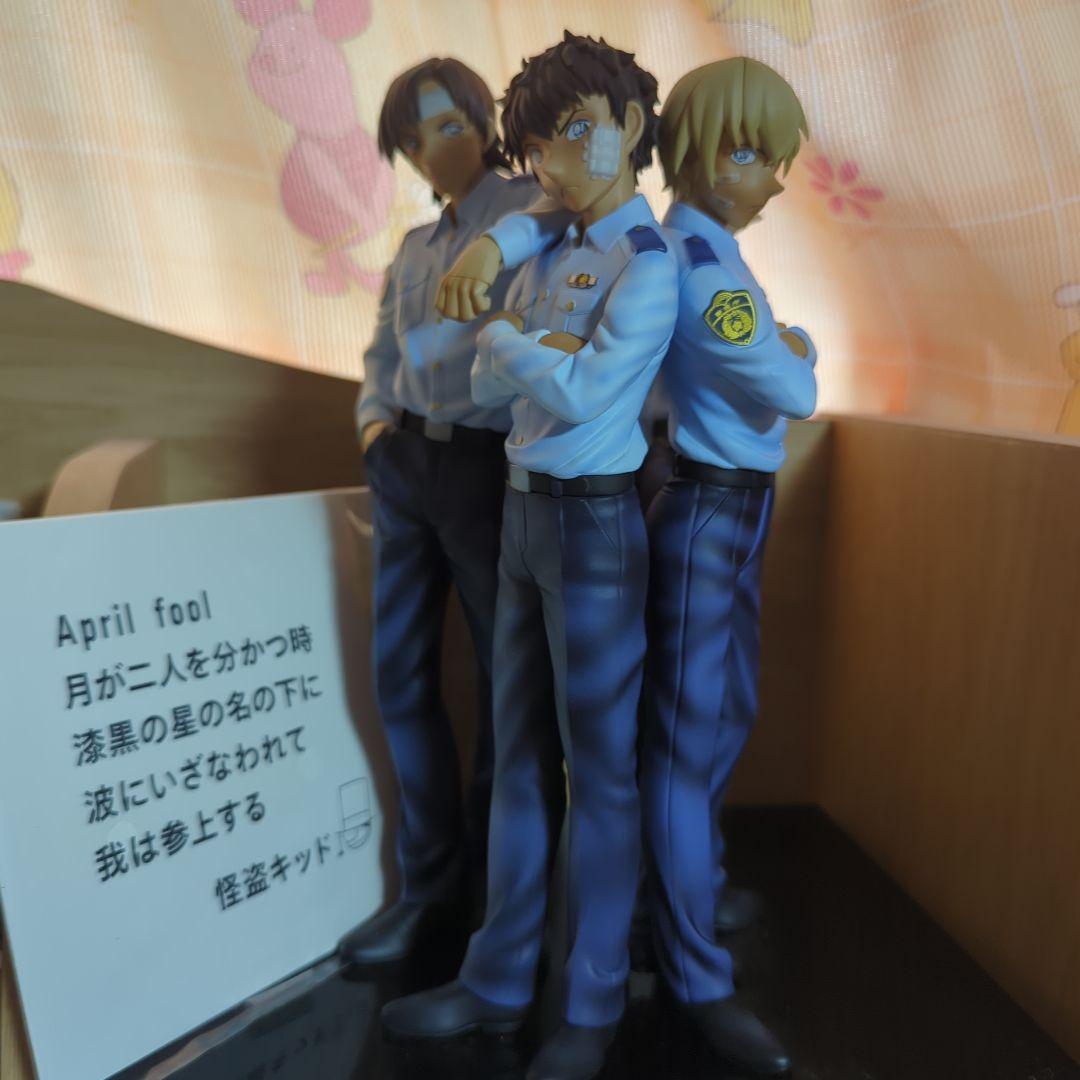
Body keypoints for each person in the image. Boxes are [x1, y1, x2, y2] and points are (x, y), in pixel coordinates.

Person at [381, 32, 678, 1080]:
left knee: (597, 772)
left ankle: (591, 999)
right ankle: (497, 976)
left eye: (574, 134)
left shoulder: (651, 264)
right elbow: (494, 384)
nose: (552, 162)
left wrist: (514, 344)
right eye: (540, 146)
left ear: (629, 127)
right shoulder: (549, 246)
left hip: (594, 530)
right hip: (519, 515)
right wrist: (528, 347)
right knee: (514, 751)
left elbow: (584, 391)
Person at [340, 57, 543, 967]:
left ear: (484, 122)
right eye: (414, 139)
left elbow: (561, 228)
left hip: (486, 466)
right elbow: (382, 354)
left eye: (449, 126)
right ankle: (430, 888)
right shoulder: (418, 246)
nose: (432, 150)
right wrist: (375, 429)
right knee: (400, 672)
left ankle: (504, 902)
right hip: (408, 465)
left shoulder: (527, 211)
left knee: (507, 682)